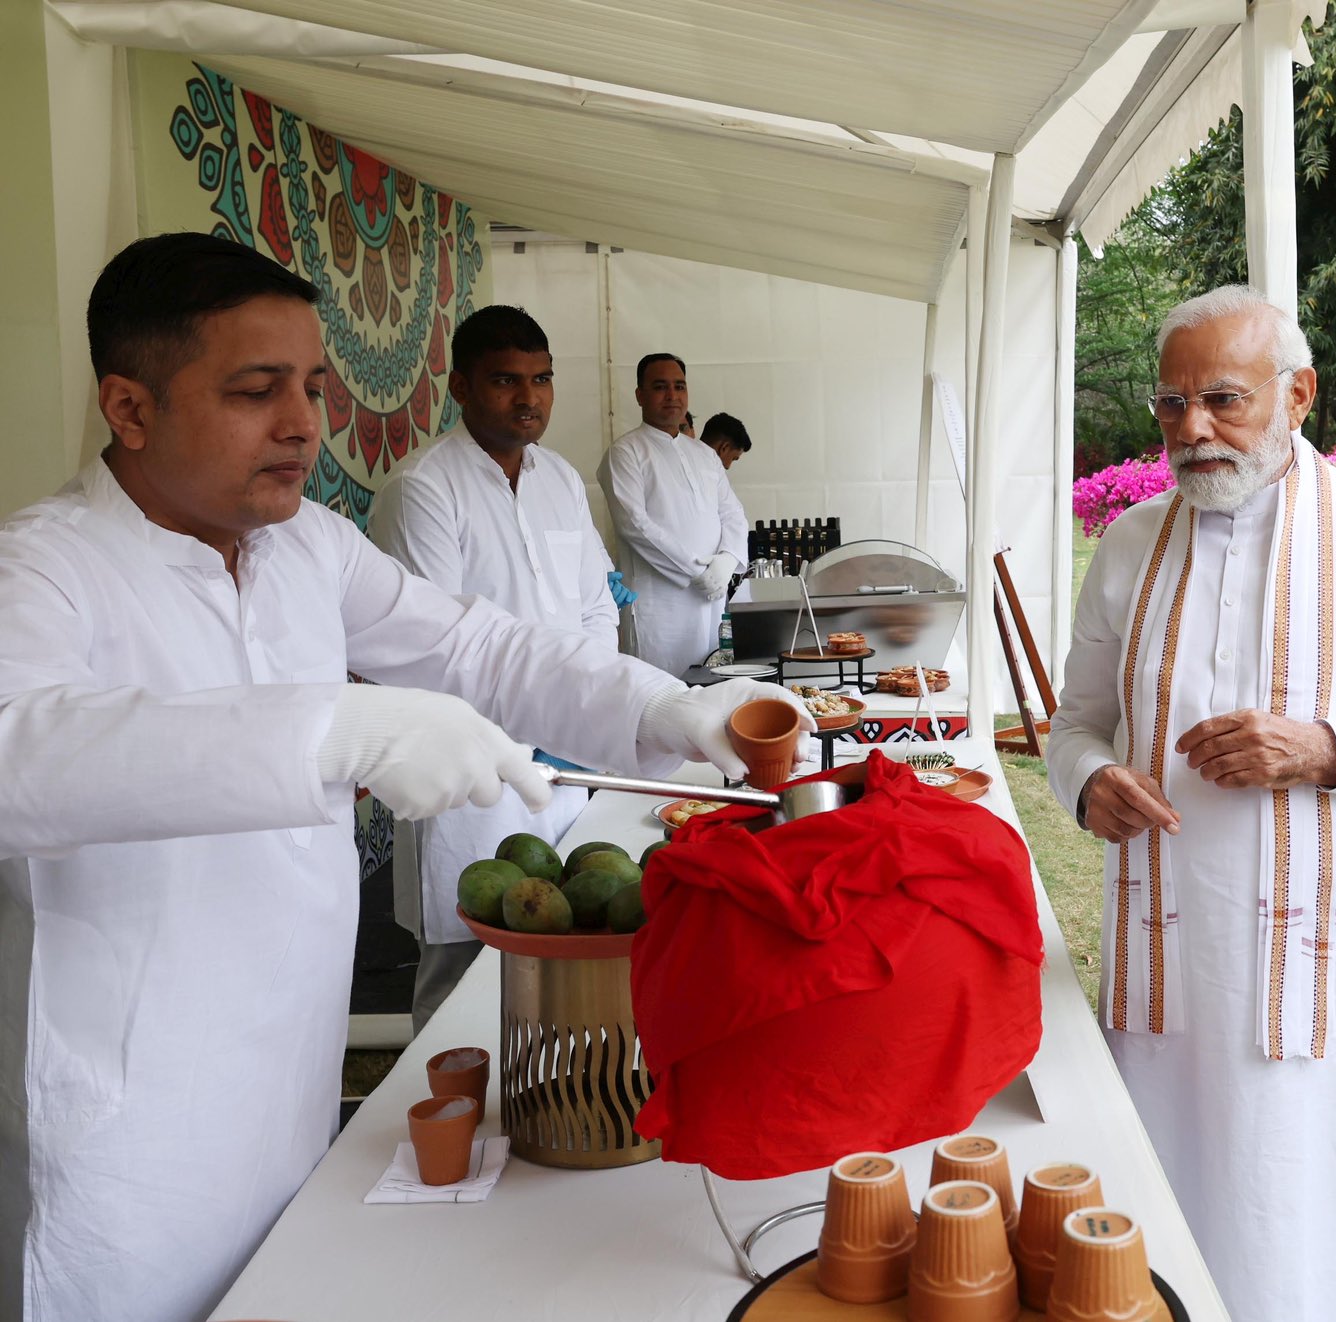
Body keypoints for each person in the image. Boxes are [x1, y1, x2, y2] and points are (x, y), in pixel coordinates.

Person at [0, 233, 811, 1322]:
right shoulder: (42, 566)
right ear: (129, 408)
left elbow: (481, 647)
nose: (303, 423)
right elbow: (21, 753)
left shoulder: (307, 546)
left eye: (312, 387)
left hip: (293, 1065)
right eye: (256, 390)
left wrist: (658, 709)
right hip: (130, 1125)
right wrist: (334, 731)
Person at [1047, 286, 1336, 1320]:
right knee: (1170, 1230)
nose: (1192, 429)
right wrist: (1088, 782)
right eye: (1171, 403)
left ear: (1298, 393)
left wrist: (1325, 749)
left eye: (1222, 398)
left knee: (1333, 1247)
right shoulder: (1129, 543)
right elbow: (1072, 724)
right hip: (1169, 980)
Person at [366, 305, 619, 1028]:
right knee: (463, 967)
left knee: (567, 943)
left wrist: (585, 709)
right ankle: (448, 1094)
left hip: (566, 755)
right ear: (461, 386)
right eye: (506, 380)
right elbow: (433, 648)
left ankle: (549, 1092)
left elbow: (595, 607)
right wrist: (538, 719)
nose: (529, 398)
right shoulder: (424, 488)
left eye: (542, 379)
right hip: (473, 765)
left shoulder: (560, 479)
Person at [599, 354, 747, 673]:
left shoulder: (705, 455)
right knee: (661, 691)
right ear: (639, 395)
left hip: (711, 598)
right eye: (660, 387)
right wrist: (696, 571)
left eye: (679, 386)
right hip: (659, 606)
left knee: (713, 683)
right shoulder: (625, 452)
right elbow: (634, 525)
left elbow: (733, 513)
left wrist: (727, 561)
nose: (672, 395)